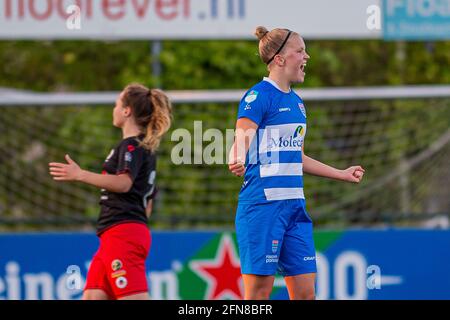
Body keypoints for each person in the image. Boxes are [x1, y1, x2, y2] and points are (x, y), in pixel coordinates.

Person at [228, 26, 365, 300]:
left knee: (305, 294)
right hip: (263, 208)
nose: (307, 56)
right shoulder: (258, 96)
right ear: (279, 59)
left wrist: (341, 173)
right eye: (300, 51)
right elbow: (241, 137)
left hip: (295, 210)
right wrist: (237, 156)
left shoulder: (298, 103)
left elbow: (297, 158)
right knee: (257, 297)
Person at [49, 84, 172, 300]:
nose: (114, 108)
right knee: (91, 297)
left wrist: (80, 174)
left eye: (117, 104)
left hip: (121, 234)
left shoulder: (131, 146)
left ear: (126, 111)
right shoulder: (144, 149)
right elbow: (148, 203)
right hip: (115, 234)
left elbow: (124, 183)